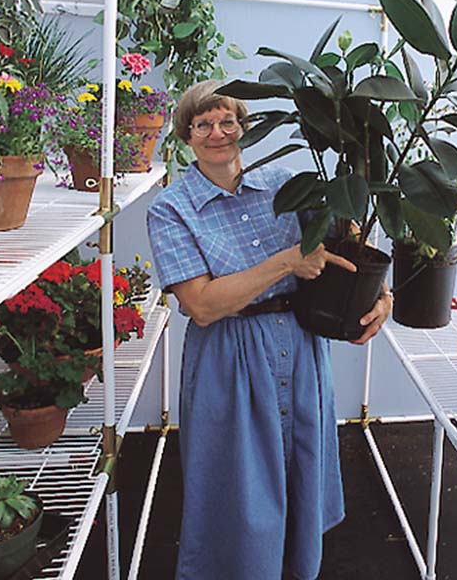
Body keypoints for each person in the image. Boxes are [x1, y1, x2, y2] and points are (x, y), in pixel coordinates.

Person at [147, 79, 392, 580]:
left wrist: (382, 298)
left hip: (298, 347)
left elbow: (347, 252)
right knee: (237, 487)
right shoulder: (170, 209)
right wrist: (285, 263)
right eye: (203, 124)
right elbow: (201, 305)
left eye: (228, 121)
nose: (218, 132)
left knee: (301, 467)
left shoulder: (286, 184)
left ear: (245, 127)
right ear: (186, 136)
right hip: (228, 355)